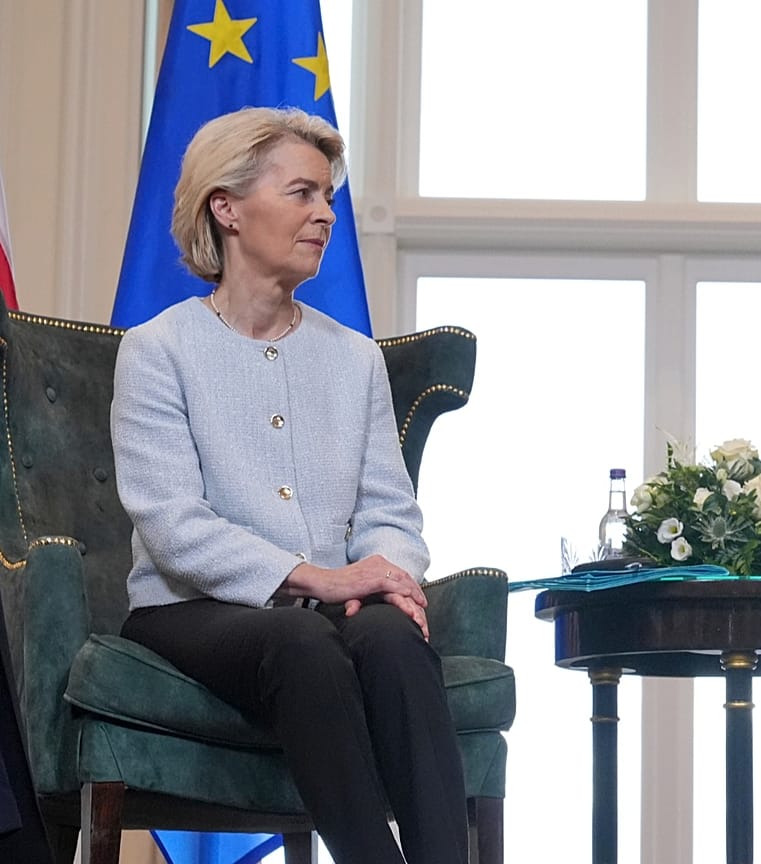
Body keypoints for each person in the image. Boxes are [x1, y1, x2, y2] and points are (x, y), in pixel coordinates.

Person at [111, 107, 468, 864]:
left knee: (392, 639)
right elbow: (173, 524)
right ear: (227, 207)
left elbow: (389, 511)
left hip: (325, 604)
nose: (324, 215)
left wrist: (388, 576)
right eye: (303, 193)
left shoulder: (354, 358)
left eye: (329, 198)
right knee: (302, 637)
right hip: (190, 611)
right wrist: (322, 579)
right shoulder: (158, 351)